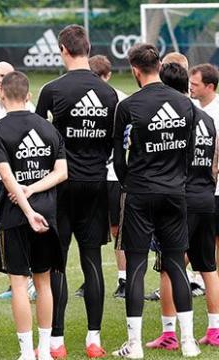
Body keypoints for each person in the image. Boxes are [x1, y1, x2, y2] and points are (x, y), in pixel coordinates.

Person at [111, 43, 199, 358]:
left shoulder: (129, 106)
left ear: (135, 70)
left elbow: (117, 156)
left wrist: (128, 182)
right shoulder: (184, 103)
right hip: (175, 193)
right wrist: (176, 179)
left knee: (136, 266)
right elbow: (189, 152)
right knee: (176, 264)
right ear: (159, 66)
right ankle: (188, 341)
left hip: (140, 193)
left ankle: (134, 346)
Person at [35, 24, 118, 358]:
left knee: (57, 260)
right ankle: (93, 340)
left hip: (62, 185)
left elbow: (39, 138)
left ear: (62, 50)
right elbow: (115, 141)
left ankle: (56, 342)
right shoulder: (108, 93)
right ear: (89, 48)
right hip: (96, 183)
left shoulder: (53, 89)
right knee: (92, 260)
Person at [0, 70, 67, 360]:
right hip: (46, 212)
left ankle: (25, 352)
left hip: (15, 214)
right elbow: (61, 173)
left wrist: (26, 204)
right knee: (43, 281)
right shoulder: (49, 128)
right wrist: (34, 192)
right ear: (29, 95)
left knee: (19, 283)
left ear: (2, 94)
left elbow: (7, 179)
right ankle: (44, 351)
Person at [146, 62, 219, 350]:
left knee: (169, 267)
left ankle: (169, 334)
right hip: (207, 198)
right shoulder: (207, 119)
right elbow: (215, 162)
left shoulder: (178, 118)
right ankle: (214, 331)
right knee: (208, 267)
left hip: (182, 200)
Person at [0, 61, 37, 301]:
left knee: (23, 230)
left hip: (22, 180)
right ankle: (15, 281)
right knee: (4, 230)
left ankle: (29, 280)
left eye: (3, 75)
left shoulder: (29, 108)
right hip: (0, 178)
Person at [88, 54, 128, 299]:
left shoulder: (121, 99)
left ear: (108, 76)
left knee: (117, 229)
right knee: (90, 230)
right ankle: (91, 279)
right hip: (94, 174)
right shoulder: (85, 99)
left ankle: (123, 279)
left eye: (101, 78)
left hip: (113, 174)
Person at [189, 64, 219, 264]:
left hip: (214, 188)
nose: (190, 87)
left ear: (210, 87)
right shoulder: (190, 108)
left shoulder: (216, 112)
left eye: (195, 84)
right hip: (197, 188)